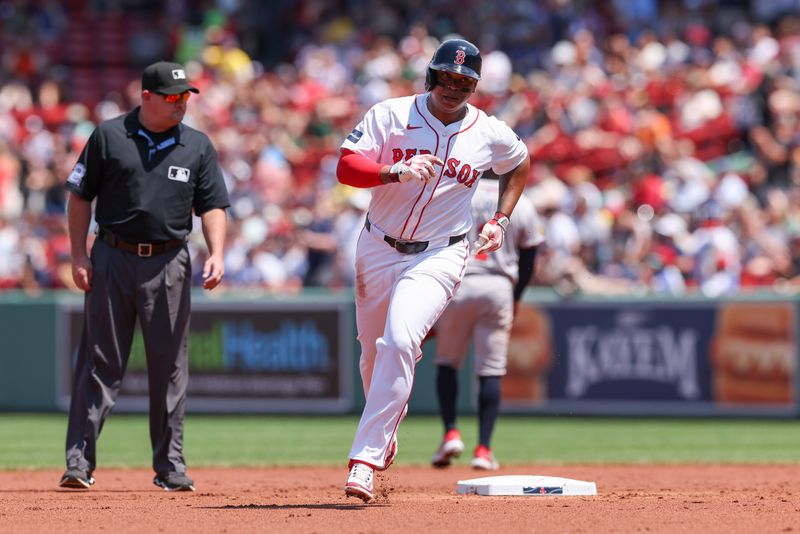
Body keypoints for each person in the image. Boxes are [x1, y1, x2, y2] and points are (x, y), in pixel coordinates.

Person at [336, 38, 530, 502]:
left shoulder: (489, 131)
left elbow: (519, 165)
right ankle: (385, 429)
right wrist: (391, 173)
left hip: (439, 254)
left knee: (401, 341)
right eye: (446, 76)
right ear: (431, 76)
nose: (453, 86)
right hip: (378, 246)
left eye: (463, 81)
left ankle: (364, 459)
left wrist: (501, 219)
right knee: (371, 353)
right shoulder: (391, 114)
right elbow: (345, 167)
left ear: (475, 86)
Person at [59, 61, 230, 492]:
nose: (181, 104)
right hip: (112, 257)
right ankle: (79, 463)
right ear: (147, 96)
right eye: (173, 97)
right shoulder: (109, 136)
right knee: (99, 362)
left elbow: (212, 206)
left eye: (186, 96)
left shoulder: (197, 145)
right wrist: (79, 254)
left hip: (170, 262)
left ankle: (170, 467)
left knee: (170, 367)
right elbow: (80, 197)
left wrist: (218, 252)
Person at [430, 172, 542, 470]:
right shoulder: (521, 202)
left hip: (458, 284)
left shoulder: (458, 194)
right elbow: (530, 257)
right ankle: (483, 449)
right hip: (498, 287)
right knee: (490, 370)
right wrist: (516, 297)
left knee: (447, 362)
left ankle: (450, 433)